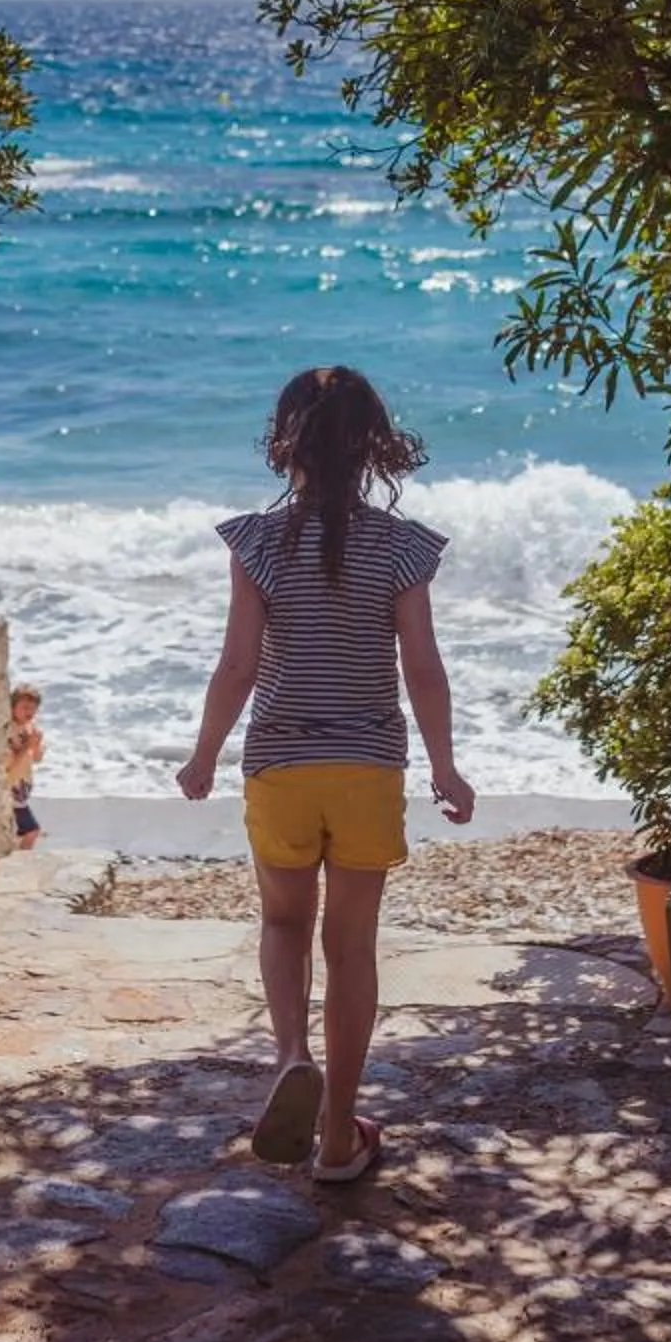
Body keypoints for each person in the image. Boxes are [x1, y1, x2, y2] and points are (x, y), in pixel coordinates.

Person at [177, 365, 475, 1182]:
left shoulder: (259, 543)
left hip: (281, 766)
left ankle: (288, 1061)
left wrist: (203, 753)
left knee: (282, 925)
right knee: (351, 949)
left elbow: (238, 665)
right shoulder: (402, 547)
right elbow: (424, 669)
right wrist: (445, 768)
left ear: (285, 446)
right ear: (376, 446)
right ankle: (339, 1136)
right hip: (367, 771)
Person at [7, 685, 46, 848]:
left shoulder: (30, 728)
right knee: (32, 830)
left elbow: (37, 758)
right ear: (13, 707)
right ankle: (20, 861)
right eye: (24, 708)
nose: (29, 713)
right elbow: (8, 768)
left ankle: (18, 856)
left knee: (23, 833)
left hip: (22, 790)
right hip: (10, 790)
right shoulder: (8, 730)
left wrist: (36, 745)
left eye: (33, 709)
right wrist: (27, 746)